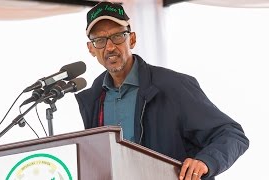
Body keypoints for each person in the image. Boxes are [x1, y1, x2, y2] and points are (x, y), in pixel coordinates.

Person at [75, 1, 249, 180]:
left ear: (132, 39)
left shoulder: (174, 86)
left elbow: (231, 134)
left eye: (118, 36)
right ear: (91, 49)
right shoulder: (94, 101)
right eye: (100, 40)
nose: (110, 47)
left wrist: (205, 162)